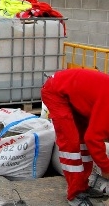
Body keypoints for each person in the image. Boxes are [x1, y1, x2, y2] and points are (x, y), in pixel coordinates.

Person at [41, 68, 109, 206]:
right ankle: (75, 194)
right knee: (71, 143)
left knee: (83, 140)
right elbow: (94, 138)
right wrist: (106, 169)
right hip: (55, 91)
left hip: (75, 95)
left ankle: (83, 186)